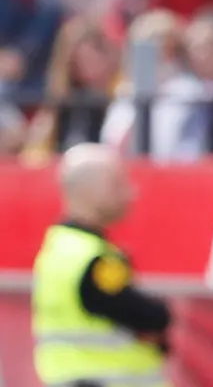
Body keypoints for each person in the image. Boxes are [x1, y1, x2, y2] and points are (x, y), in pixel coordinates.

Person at [32, 143, 172, 387]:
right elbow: (149, 316)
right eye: (117, 184)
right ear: (90, 191)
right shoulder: (93, 260)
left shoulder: (59, 247)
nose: (131, 193)